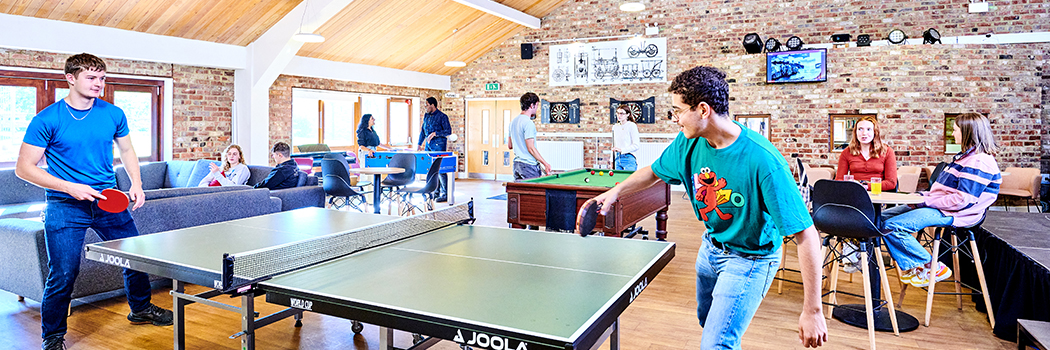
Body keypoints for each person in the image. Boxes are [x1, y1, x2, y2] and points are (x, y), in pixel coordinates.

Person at [581, 66, 827, 349]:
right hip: (710, 248)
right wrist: (615, 192)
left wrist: (812, 311)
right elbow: (654, 171)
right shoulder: (689, 142)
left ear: (702, 110)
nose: (674, 118)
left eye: (677, 111)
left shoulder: (764, 161)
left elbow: (806, 234)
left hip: (750, 259)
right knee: (708, 321)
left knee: (717, 343)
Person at [15, 53, 173, 350]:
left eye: (101, 77)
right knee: (64, 272)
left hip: (107, 201)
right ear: (70, 78)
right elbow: (24, 168)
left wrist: (137, 183)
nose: (98, 83)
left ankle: (140, 309)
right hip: (64, 205)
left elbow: (127, 150)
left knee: (136, 255)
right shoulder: (47, 119)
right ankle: (52, 337)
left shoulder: (113, 114)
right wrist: (69, 187)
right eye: (90, 77)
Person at [883, 113, 1001, 287]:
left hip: (956, 213)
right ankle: (916, 264)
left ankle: (931, 265)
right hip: (941, 207)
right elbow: (942, 192)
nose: (952, 134)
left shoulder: (979, 161)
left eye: (955, 130)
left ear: (968, 132)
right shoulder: (964, 158)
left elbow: (962, 201)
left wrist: (925, 201)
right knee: (879, 219)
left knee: (893, 226)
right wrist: (922, 197)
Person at [834, 116, 897, 191]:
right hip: (854, 193)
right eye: (860, 129)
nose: (864, 133)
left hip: (878, 193)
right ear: (855, 132)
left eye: (869, 129)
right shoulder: (846, 152)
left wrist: (865, 186)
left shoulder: (887, 152)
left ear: (875, 132)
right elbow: (839, 180)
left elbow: (891, 183)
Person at [507, 92, 552, 180]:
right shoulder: (528, 123)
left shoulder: (512, 122)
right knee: (533, 189)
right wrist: (545, 164)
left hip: (517, 165)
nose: (536, 109)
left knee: (520, 189)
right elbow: (530, 148)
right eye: (537, 105)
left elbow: (510, 145)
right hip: (529, 166)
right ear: (532, 105)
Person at [418, 97, 452, 202]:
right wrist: (419, 144)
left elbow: (448, 131)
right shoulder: (426, 116)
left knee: (441, 170)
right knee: (431, 170)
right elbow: (423, 131)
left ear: (432, 105)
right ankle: (434, 192)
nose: (425, 107)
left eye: (427, 105)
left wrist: (435, 133)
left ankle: (445, 194)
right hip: (428, 146)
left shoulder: (442, 116)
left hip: (439, 146)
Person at [611, 104, 641, 171]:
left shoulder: (632, 126)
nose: (619, 115)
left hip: (629, 158)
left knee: (630, 178)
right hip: (617, 158)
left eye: (622, 113)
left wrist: (621, 150)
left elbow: (636, 145)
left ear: (628, 114)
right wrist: (611, 160)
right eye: (617, 113)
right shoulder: (615, 127)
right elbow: (613, 145)